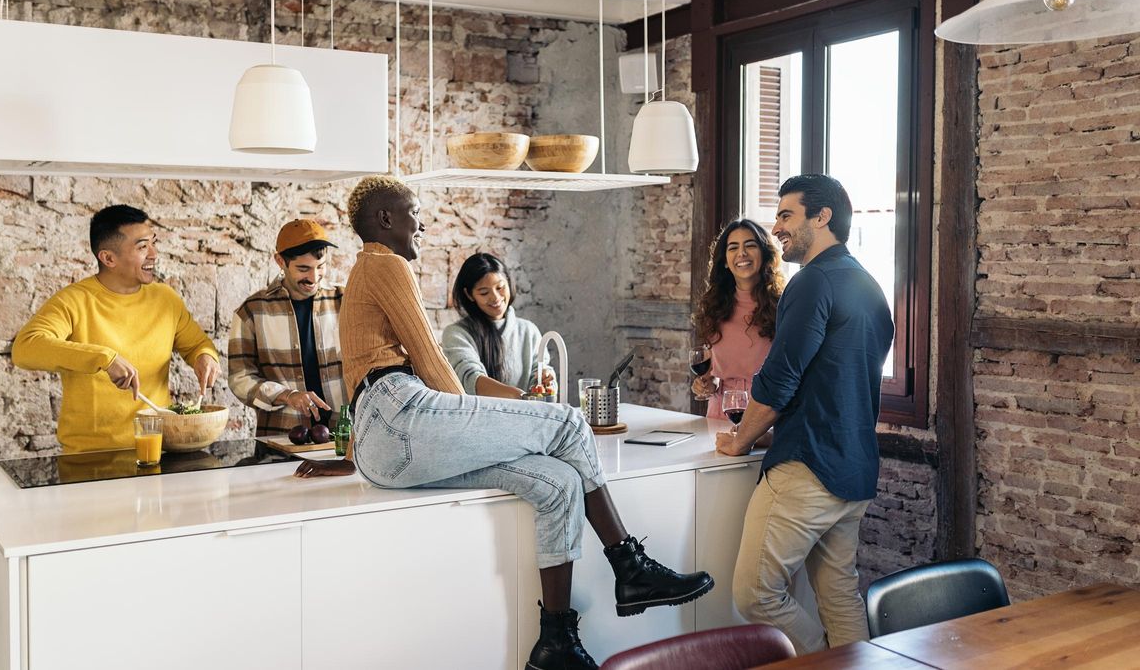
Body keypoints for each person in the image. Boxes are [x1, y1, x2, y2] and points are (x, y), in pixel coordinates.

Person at [296, 175, 714, 670]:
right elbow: (431, 361)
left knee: (557, 482)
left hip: (385, 439)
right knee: (568, 423)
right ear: (385, 219)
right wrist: (468, 412)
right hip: (399, 415)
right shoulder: (385, 262)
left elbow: (360, 375)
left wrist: (353, 454)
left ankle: (555, 641)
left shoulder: (364, 271)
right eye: (413, 212)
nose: (422, 222)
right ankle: (630, 566)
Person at [717, 174, 893, 654]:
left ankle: (818, 662)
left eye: (787, 215)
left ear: (823, 217)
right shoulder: (868, 285)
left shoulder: (812, 282)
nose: (776, 228)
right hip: (855, 469)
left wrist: (740, 440)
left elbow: (779, 379)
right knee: (839, 595)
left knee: (754, 595)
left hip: (808, 466)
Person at [12, 204, 220, 453]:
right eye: (142, 247)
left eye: (153, 243)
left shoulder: (165, 299)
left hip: (155, 450)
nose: (153, 254)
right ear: (108, 258)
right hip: (90, 458)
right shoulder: (74, 300)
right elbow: (25, 348)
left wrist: (205, 357)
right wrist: (104, 359)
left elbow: (197, 344)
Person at [228, 219, 346, 436]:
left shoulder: (346, 301)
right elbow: (240, 378)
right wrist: (287, 395)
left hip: (344, 437)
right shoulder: (251, 311)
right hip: (281, 438)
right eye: (303, 269)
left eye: (321, 267)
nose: (313, 277)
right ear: (280, 261)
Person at [691, 218, 785, 424]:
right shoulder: (714, 306)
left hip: (764, 413)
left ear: (765, 253)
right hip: (720, 413)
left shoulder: (784, 304)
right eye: (733, 247)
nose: (742, 253)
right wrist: (707, 383)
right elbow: (715, 373)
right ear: (725, 260)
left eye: (750, 245)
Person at [442, 252, 554, 398]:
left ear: (508, 282)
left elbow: (539, 378)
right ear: (469, 295)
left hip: (527, 418)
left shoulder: (529, 331)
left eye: (500, 287)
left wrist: (545, 380)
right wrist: (521, 397)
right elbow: (470, 379)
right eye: (484, 293)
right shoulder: (456, 334)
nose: (495, 297)